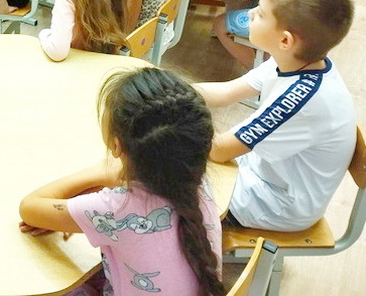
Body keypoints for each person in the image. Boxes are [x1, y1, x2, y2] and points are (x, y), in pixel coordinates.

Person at [20, 68, 224, 296]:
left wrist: (97, 173)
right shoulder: (196, 180)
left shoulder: (117, 209)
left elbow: (30, 208)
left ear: (116, 146)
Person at [197, 0, 355, 232]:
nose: (249, 14)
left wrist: (172, 114)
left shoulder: (299, 99)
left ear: (285, 40)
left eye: (260, 13)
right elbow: (225, 92)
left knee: (164, 174)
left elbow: (219, 150)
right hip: (264, 173)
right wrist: (168, 86)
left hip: (275, 204)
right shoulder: (293, 61)